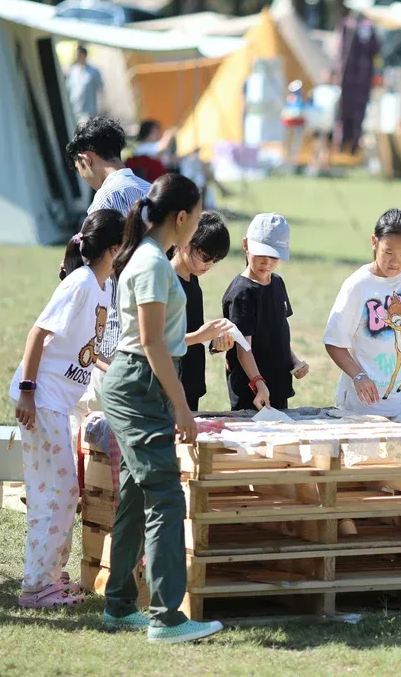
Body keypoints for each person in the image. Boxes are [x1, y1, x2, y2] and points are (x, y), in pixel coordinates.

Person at [100, 173, 223, 643]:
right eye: (197, 215)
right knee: (167, 496)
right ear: (181, 217)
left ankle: (117, 606)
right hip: (139, 383)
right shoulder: (153, 263)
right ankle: (167, 617)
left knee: (135, 493)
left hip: (140, 382)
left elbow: (159, 342)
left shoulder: (147, 257)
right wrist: (182, 408)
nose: (198, 224)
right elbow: (152, 344)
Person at [11, 210, 124, 608]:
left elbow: (86, 353)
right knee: (55, 493)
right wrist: (27, 390)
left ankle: (50, 577)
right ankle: (38, 587)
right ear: (115, 247)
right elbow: (38, 332)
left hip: (56, 400)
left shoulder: (102, 284)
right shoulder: (80, 283)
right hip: (41, 400)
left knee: (60, 491)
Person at [66, 115, 150, 403]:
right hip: (153, 327)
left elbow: (93, 271)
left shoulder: (105, 199)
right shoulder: (151, 191)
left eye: (78, 168)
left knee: (99, 428)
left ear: (86, 159)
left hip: (114, 332)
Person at [324, 209, 401, 417]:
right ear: (374, 242)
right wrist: (358, 377)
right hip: (362, 408)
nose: (396, 262)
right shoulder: (357, 286)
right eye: (388, 252)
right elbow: (333, 342)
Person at [222, 213, 309, 412]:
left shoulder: (277, 283)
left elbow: (277, 335)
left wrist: (294, 361)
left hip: (277, 386)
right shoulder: (242, 293)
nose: (267, 262)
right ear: (245, 245)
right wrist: (258, 383)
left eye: (274, 256)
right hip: (252, 393)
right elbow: (243, 348)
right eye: (261, 254)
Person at [171, 211, 234, 413]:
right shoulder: (166, 280)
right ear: (185, 243)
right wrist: (200, 336)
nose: (209, 265)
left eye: (215, 260)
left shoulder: (193, 279)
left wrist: (213, 342)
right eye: (206, 257)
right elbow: (159, 341)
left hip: (191, 380)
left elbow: (191, 328)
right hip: (169, 383)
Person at [66, 44, 104, 122]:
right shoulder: (72, 71)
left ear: (84, 55)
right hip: (76, 111)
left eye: (79, 54)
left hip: (90, 111)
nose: (77, 56)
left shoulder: (93, 71)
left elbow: (101, 90)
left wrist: (102, 107)